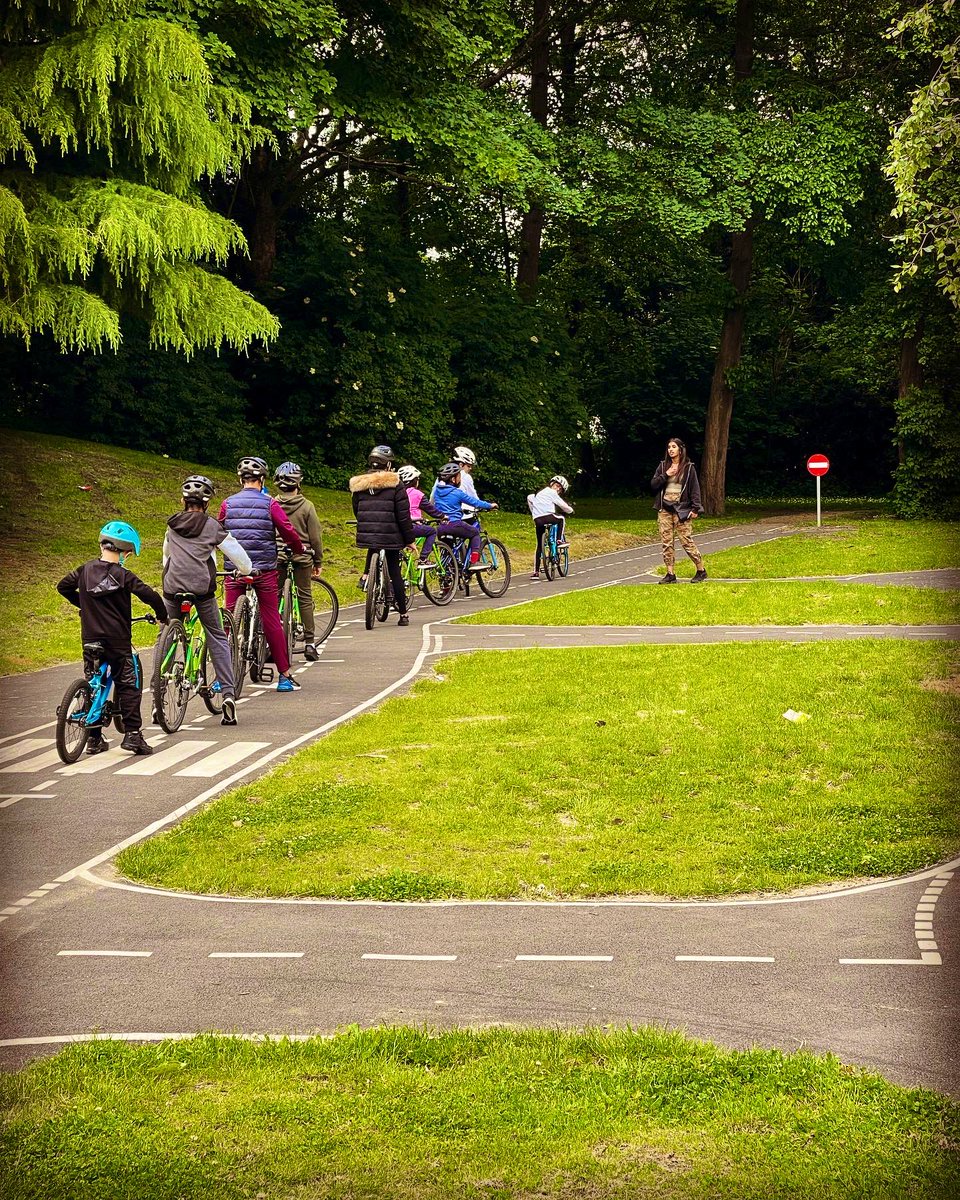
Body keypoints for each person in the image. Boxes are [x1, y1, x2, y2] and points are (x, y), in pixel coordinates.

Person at [56, 521, 168, 756]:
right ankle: (132, 735)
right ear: (125, 551)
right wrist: (162, 615)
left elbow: (63, 587)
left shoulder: (84, 570)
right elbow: (150, 595)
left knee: (93, 683)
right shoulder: (123, 575)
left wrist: (83, 606)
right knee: (129, 684)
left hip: (90, 639)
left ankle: (94, 739)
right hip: (117, 642)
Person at [162, 475, 250, 726]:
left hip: (172, 587)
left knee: (166, 635)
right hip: (201, 590)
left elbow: (166, 557)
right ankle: (228, 697)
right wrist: (246, 570)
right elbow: (237, 554)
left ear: (183, 500)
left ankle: (159, 695)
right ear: (207, 503)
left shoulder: (172, 525)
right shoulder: (212, 526)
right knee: (217, 636)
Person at [219, 456, 305, 691]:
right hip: (264, 568)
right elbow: (287, 530)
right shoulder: (270, 504)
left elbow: (217, 531)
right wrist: (298, 548)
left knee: (228, 620)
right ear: (262, 479)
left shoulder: (227, 504)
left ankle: (220, 678)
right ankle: (284, 676)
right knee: (271, 620)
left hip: (234, 569)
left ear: (240, 479)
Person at [349, 445, 418, 626]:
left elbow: (357, 509)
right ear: (387, 465)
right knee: (395, 572)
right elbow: (403, 516)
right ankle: (403, 614)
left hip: (368, 533)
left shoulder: (359, 485)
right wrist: (409, 540)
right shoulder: (396, 484)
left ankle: (366, 577)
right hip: (391, 535)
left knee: (373, 549)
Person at [273, 462, 324, 661]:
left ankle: (271, 643)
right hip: (302, 556)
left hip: (277, 555)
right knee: (304, 596)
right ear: (299, 483)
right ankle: (310, 643)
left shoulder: (272, 504)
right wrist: (318, 560)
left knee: (274, 598)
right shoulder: (307, 506)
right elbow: (316, 537)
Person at [651, 437, 707, 583]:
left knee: (686, 541)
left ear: (680, 449)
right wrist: (666, 474)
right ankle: (670, 574)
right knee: (666, 542)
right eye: (669, 447)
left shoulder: (688, 468)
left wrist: (695, 508)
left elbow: (695, 488)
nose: (671, 449)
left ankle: (701, 570)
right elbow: (653, 484)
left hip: (681, 509)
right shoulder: (663, 466)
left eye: (674, 447)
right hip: (665, 509)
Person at [432, 462, 498, 570]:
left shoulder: (437, 492)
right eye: (458, 476)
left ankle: (449, 580)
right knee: (475, 533)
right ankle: (474, 561)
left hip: (441, 527)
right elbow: (474, 502)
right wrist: (490, 505)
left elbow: (433, 502)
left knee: (448, 552)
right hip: (455, 524)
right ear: (453, 479)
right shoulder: (457, 492)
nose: (460, 479)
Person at [527, 474, 574, 579]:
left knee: (539, 545)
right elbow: (563, 505)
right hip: (548, 517)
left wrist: (533, 511)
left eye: (560, 488)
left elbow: (529, 497)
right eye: (557, 486)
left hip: (537, 519)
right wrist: (570, 510)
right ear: (552, 484)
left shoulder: (540, 493)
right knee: (561, 519)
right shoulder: (552, 493)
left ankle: (536, 572)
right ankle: (558, 540)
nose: (558, 489)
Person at [398, 464, 443, 567]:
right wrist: (442, 516)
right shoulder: (417, 494)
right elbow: (430, 509)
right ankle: (423, 558)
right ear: (414, 480)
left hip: (397, 526)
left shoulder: (397, 493)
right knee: (432, 531)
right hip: (411, 526)